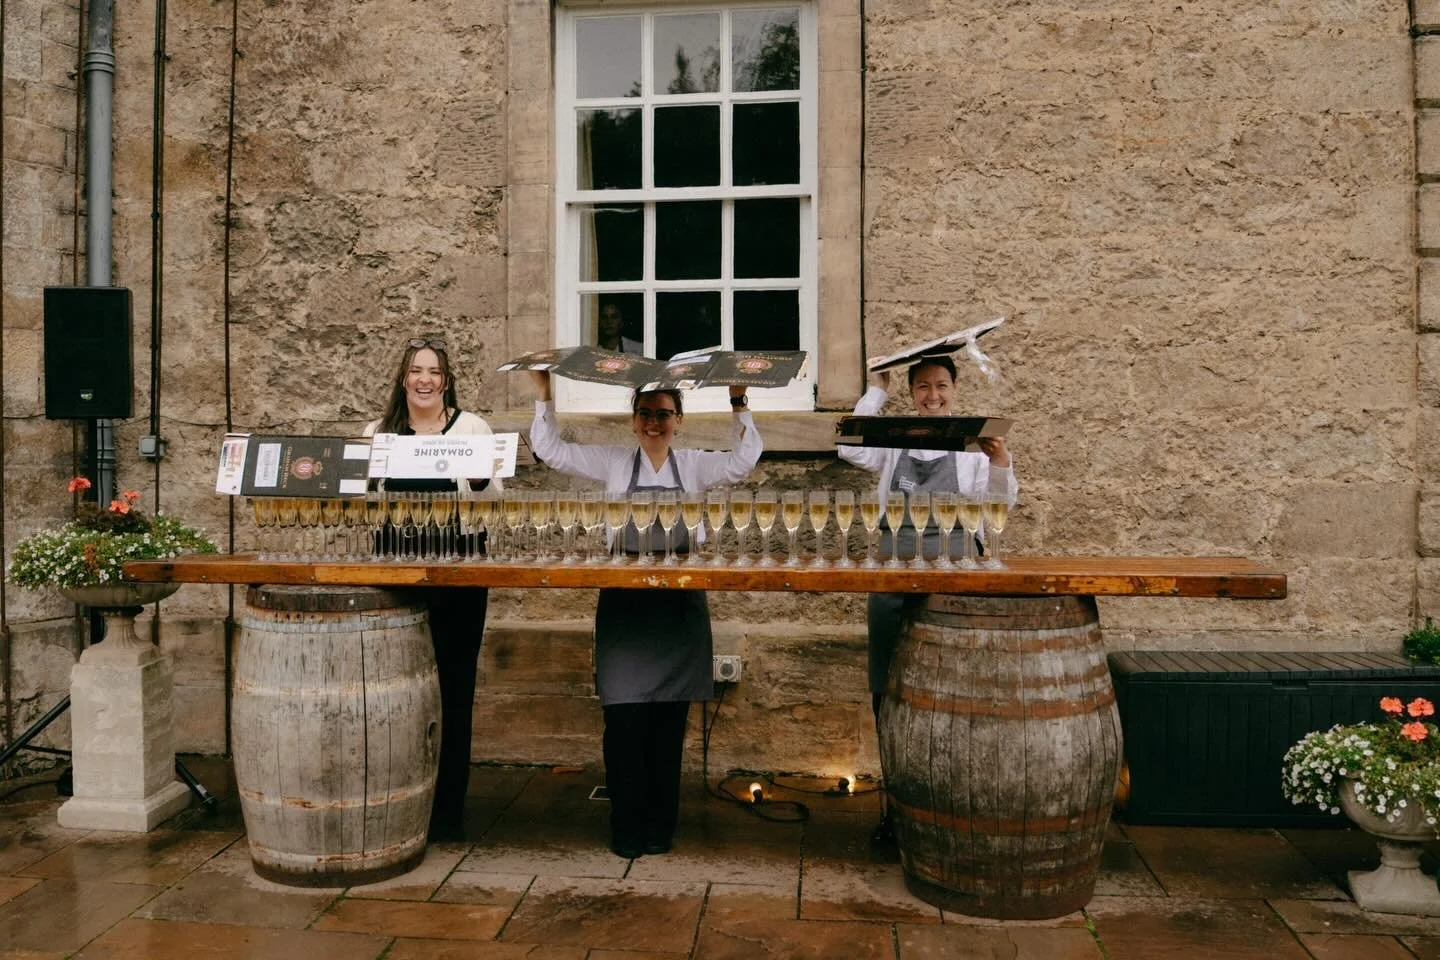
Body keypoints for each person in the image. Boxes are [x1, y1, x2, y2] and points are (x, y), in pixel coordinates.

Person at [527, 369, 762, 858]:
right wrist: (545, 395)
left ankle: (660, 826)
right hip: (625, 606)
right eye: (646, 414)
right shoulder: (613, 462)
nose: (654, 423)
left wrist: (739, 401)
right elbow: (552, 450)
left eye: (664, 414)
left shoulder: (695, 466)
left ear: (678, 420)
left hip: (679, 606)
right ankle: (626, 824)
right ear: (633, 421)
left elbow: (745, 459)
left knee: (668, 728)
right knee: (625, 724)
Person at [837, 354, 1018, 845]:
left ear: (954, 389)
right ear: (911, 393)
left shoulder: (973, 449)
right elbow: (849, 446)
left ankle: (949, 813)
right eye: (921, 387)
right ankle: (896, 813)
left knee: (953, 699)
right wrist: (877, 389)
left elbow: (1001, 506)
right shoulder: (891, 442)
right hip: (892, 574)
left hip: (954, 578)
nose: (932, 395)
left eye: (940, 385)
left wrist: (999, 459)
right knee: (888, 695)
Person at [364, 335, 499, 842]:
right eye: (416, 370)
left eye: (434, 372)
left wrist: (482, 480)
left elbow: (493, 502)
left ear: (446, 380)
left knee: (453, 690)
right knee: (395, 690)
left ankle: (446, 813)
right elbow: (362, 500)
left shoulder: (472, 427)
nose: (425, 379)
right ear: (404, 379)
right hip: (394, 573)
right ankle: (398, 801)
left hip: (459, 572)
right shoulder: (378, 433)